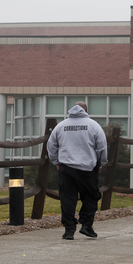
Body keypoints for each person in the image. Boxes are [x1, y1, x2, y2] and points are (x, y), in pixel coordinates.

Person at [47, 102, 108, 240]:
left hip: (66, 168)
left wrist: (56, 162)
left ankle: (69, 230)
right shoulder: (93, 125)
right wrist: (100, 164)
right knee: (91, 197)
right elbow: (102, 147)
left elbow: (51, 146)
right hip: (88, 168)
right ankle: (86, 225)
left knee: (67, 199)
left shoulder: (61, 126)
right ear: (86, 110)